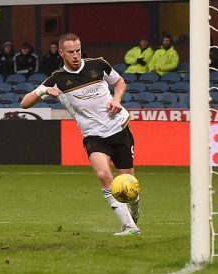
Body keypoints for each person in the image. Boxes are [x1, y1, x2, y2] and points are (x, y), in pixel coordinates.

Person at [21, 33, 140, 236]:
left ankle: (134, 211)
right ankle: (130, 227)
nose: (76, 55)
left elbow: (120, 82)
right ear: (61, 53)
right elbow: (24, 103)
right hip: (93, 135)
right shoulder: (57, 79)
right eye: (70, 52)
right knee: (104, 175)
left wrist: (117, 99)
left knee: (127, 187)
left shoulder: (98, 65)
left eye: (78, 50)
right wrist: (43, 92)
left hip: (119, 129)